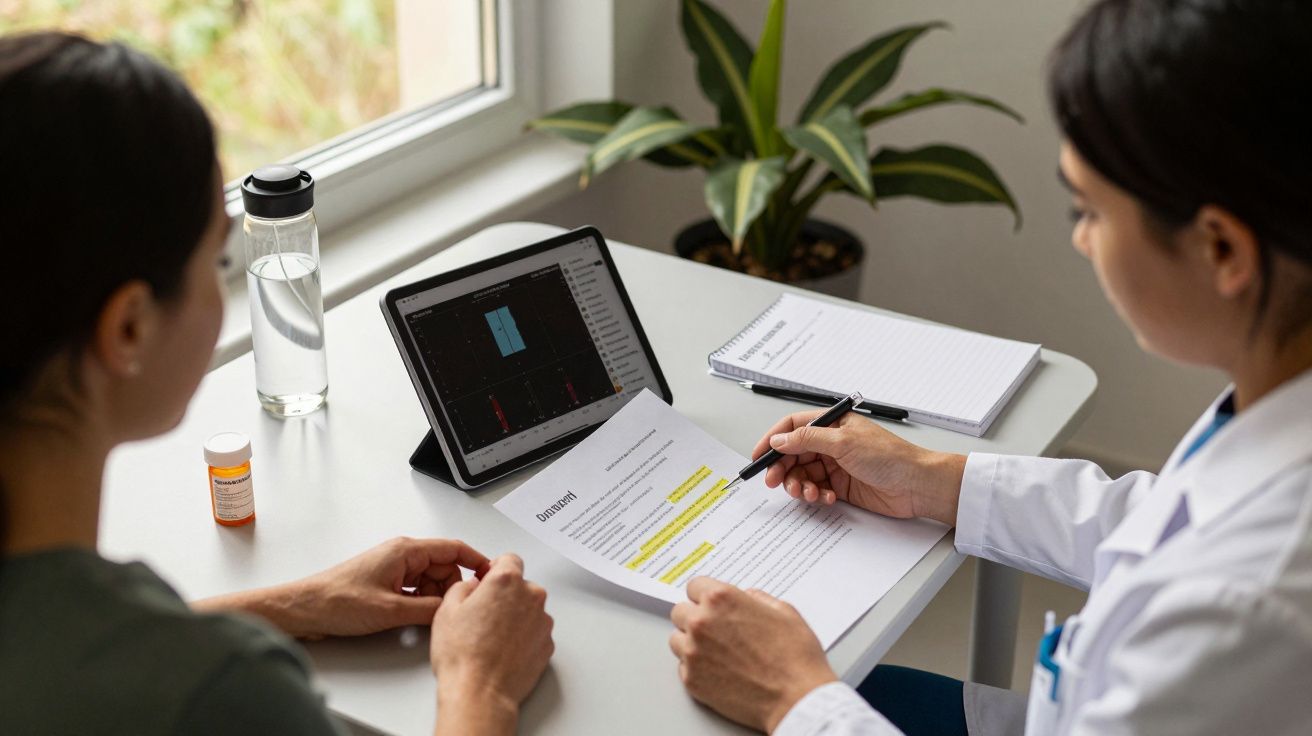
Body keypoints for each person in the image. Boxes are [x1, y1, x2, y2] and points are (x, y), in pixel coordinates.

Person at [667, 0, 1312, 734]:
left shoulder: (1255, 610)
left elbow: (1208, 587)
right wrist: (934, 480)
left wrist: (796, 700)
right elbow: (1167, 527)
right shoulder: (1279, 392)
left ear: (1222, 249)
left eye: (1089, 212)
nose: (1082, 242)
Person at [0, 32, 553, 735]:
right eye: (219, 257)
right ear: (129, 329)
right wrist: (483, 681)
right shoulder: (222, 694)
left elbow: (66, 655)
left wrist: (298, 603)